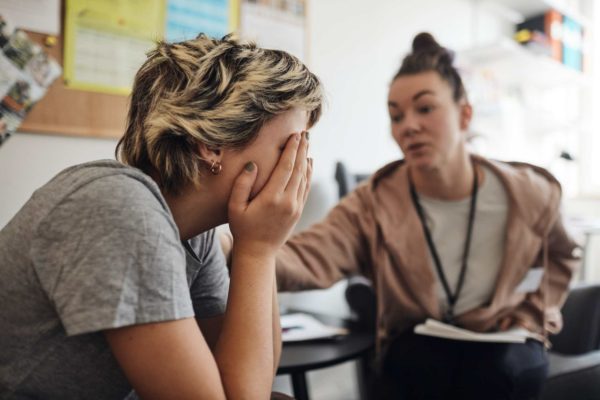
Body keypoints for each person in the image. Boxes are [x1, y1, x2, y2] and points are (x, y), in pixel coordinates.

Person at [0, 34, 322, 399]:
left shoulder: (192, 234)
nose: (299, 165)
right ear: (212, 144)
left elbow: (247, 382)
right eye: (290, 146)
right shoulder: (117, 207)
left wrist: (257, 248)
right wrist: (258, 250)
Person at [273, 33, 580, 399]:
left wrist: (534, 311)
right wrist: (231, 247)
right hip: (421, 339)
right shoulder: (375, 200)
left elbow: (561, 255)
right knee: (414, 369)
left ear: (464, 114)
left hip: (502, 338)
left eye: (425, 108)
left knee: (500, 372)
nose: (408, 126)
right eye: (396, 115)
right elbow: (311, 254)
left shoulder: (527, 192)